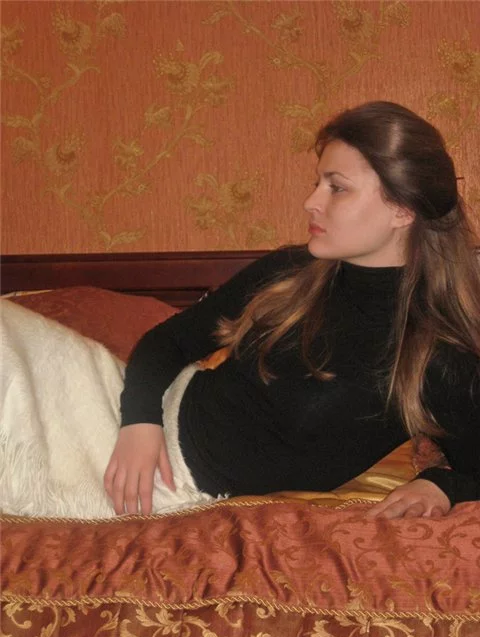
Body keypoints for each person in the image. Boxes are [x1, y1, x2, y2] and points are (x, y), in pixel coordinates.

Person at [104, 101, 480, 519]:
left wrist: (441, 483)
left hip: (173, 484)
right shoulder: (290, 271)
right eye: (318, 183)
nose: (310, 201)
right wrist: (139, 423)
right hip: (129, 421)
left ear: (402, 209)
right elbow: (168, 342)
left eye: (337, 187)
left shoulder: (436, 354)